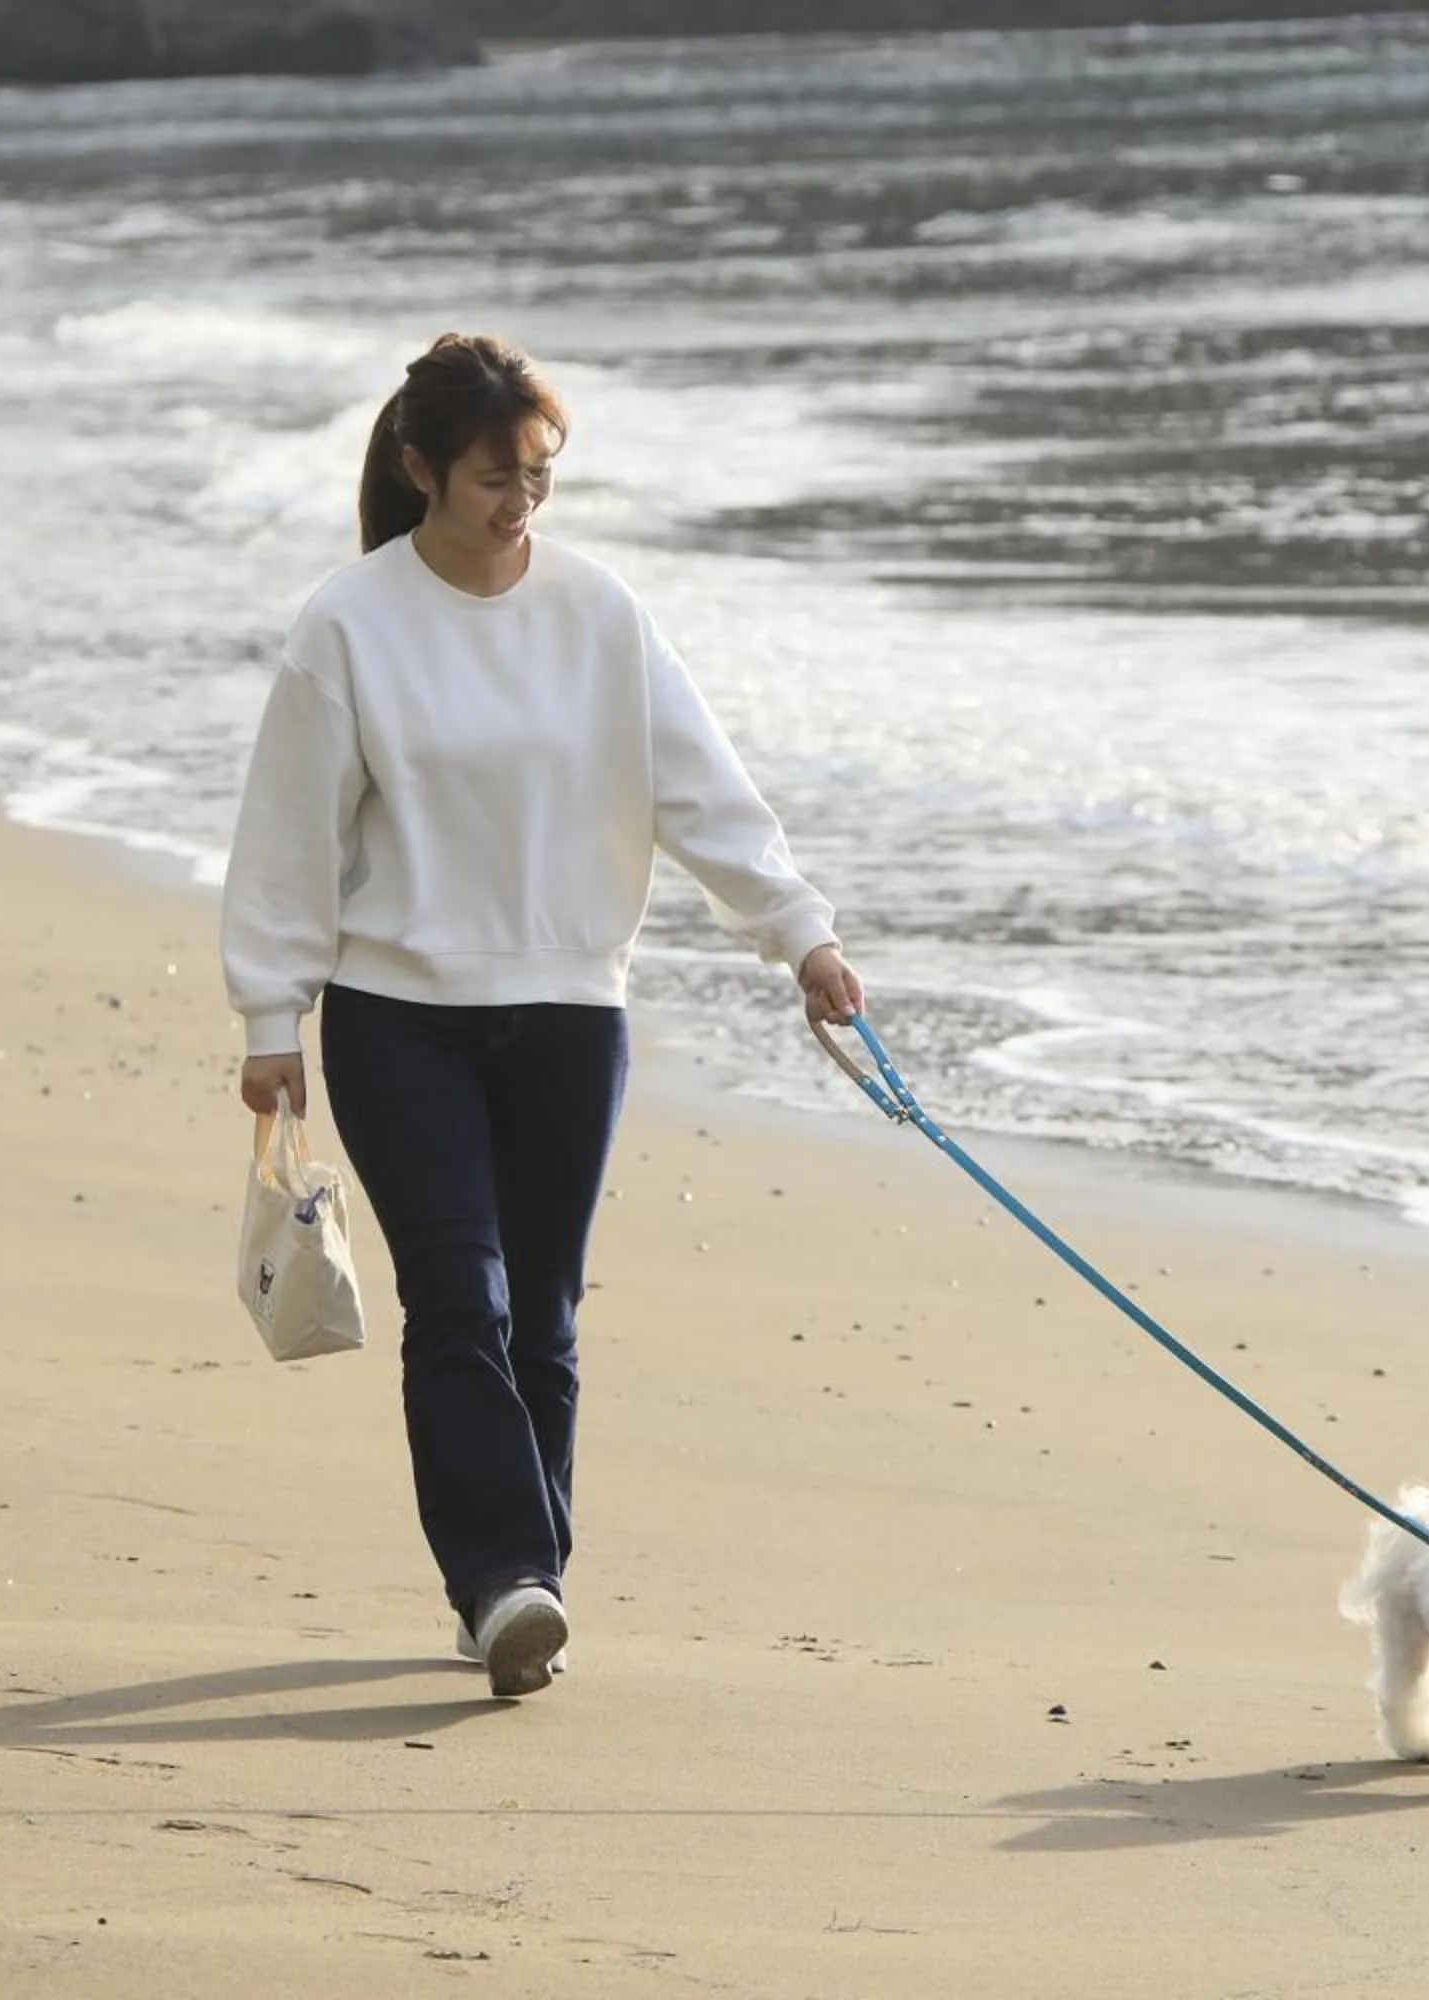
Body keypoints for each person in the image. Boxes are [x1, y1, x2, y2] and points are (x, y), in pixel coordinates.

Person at [219, 332, 863, 1698]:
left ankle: (519, 1590)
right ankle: (508, 1573)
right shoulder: (352, 624)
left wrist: (800, 933)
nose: (523, 501)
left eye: (540, 473)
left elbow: (701, 790)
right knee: (459, 1296)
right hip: (400, 1015)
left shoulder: (600, 615)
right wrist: (272, 1016)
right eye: (496, 477)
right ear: (421, 469)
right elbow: (288, 836)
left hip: (570, 1013)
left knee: (543, 1321)